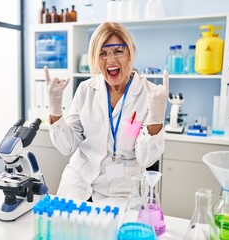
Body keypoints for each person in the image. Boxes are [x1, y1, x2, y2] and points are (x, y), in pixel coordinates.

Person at [44, 22, 169, 203]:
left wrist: (156, 118)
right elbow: (67, 146)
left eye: (118, 51)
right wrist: (55, 107)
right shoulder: (85, 89)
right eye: (102, 53)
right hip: (77, 183)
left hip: (120, 189)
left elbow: (146, 158)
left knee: (110, 230)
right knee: (64, 228)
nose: (110, 60)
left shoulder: (148, 95)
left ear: (130, 54)